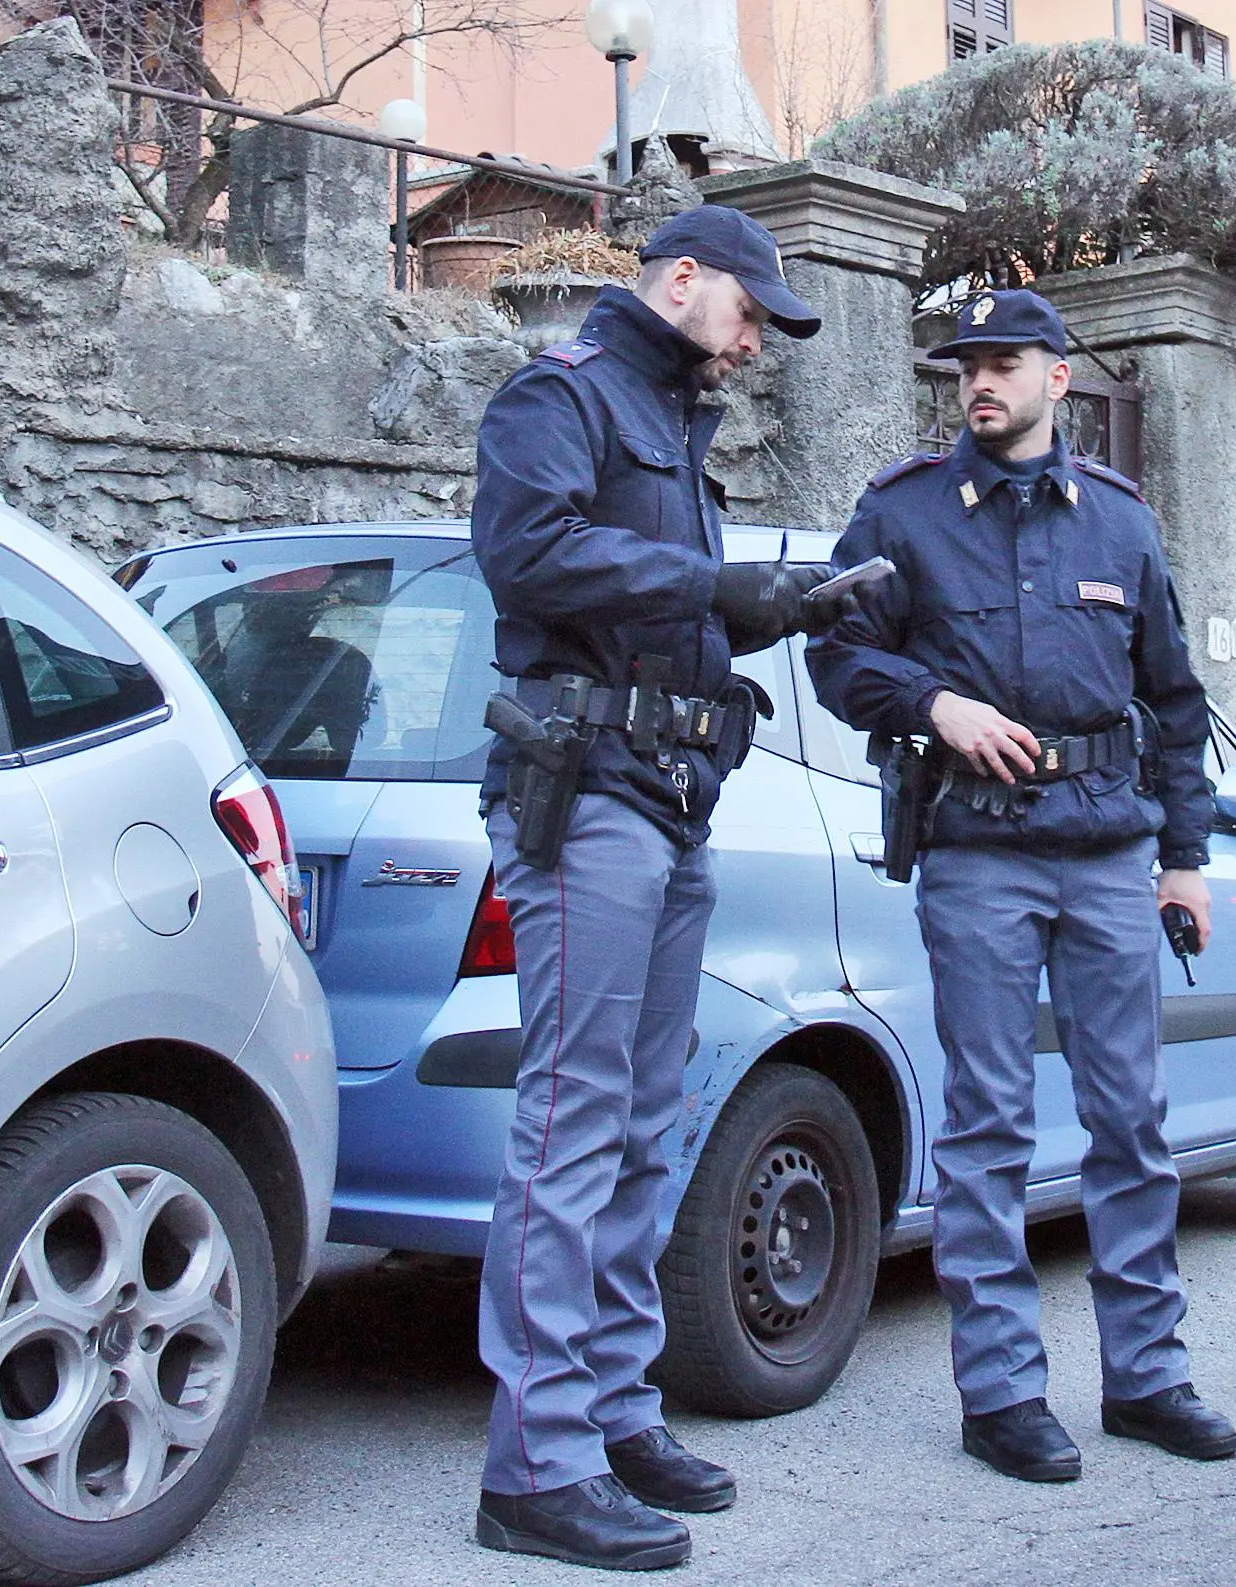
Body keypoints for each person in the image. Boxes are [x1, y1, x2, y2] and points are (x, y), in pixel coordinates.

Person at [806, 289, 1236, 1484]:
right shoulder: (903, 512)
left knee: (1129, 1124)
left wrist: (1186, 857)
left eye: (1002, 364)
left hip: (1106, 854)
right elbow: (834, 650)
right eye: (965, 367)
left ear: (1059, 375)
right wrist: (931, 704)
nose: (977, 383)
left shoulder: (1119, 523)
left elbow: (1169, 701)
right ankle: (999, 1394)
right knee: (989, 1127)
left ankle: (1146, 1378)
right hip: (979, 852)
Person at [470, 205, 842, 1570]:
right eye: (747, 313)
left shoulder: (678, 427)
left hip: (673, 802)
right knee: (569, 1129)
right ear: (678, 279)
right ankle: (532, 1465)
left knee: (638, 1125)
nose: (752, 342)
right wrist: (711, 577)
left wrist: (783, 603)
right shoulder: (554, 396)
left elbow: (680, 600)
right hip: (590, 798)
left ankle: (613, 1413)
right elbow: (525, 553)